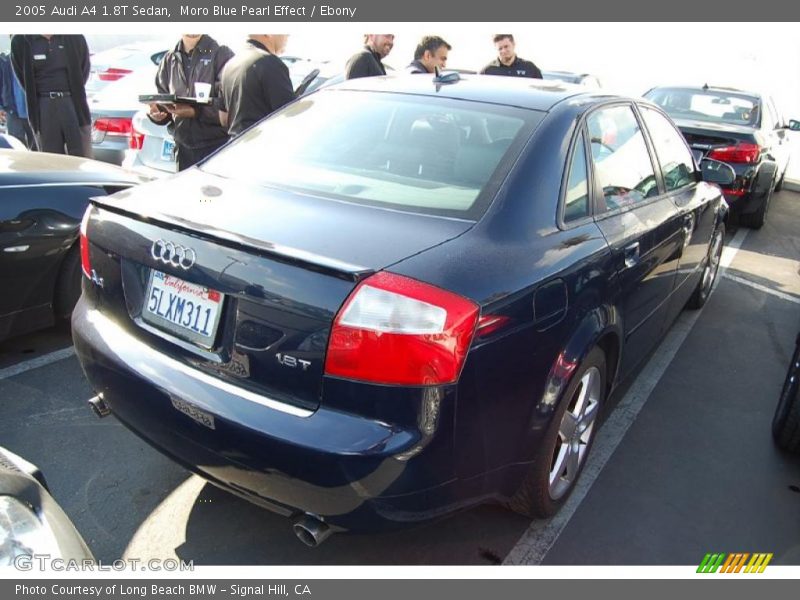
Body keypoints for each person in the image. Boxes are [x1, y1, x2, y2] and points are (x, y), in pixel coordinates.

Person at [147, 34, 234, 171]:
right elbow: (163, 100)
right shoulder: (170, 58)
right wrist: (158, 113)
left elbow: (229, 105)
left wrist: (195, 112)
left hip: (215, 146)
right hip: (183, 148)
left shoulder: (221, 54)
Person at [10, 34, 92, 156]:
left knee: (82, 157)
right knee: (49, 159)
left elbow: (83, 70)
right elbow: (22, 77)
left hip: (73, 103)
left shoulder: (74, 37)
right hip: (43, 106)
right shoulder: (21, 40)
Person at [220, 35, 294, 137]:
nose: (288, 35)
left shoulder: (229, 65)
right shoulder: (270, 63)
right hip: (262, 145)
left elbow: (223, 118)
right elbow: (291, 116)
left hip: (236, 146)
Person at [0, 51, 35, 148]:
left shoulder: (32, 57)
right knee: (15, 146)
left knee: (37, 145)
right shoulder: (4, 61)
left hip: (32, 111)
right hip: (12, 110)